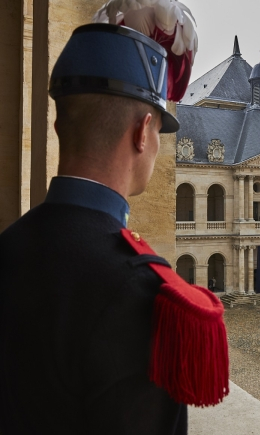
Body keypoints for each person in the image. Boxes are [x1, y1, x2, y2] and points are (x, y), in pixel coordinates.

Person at [0, 22, 228, 434]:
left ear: (57, 128)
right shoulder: (137, 293)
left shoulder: (8, 244)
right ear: (143, 133)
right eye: (160, 131)